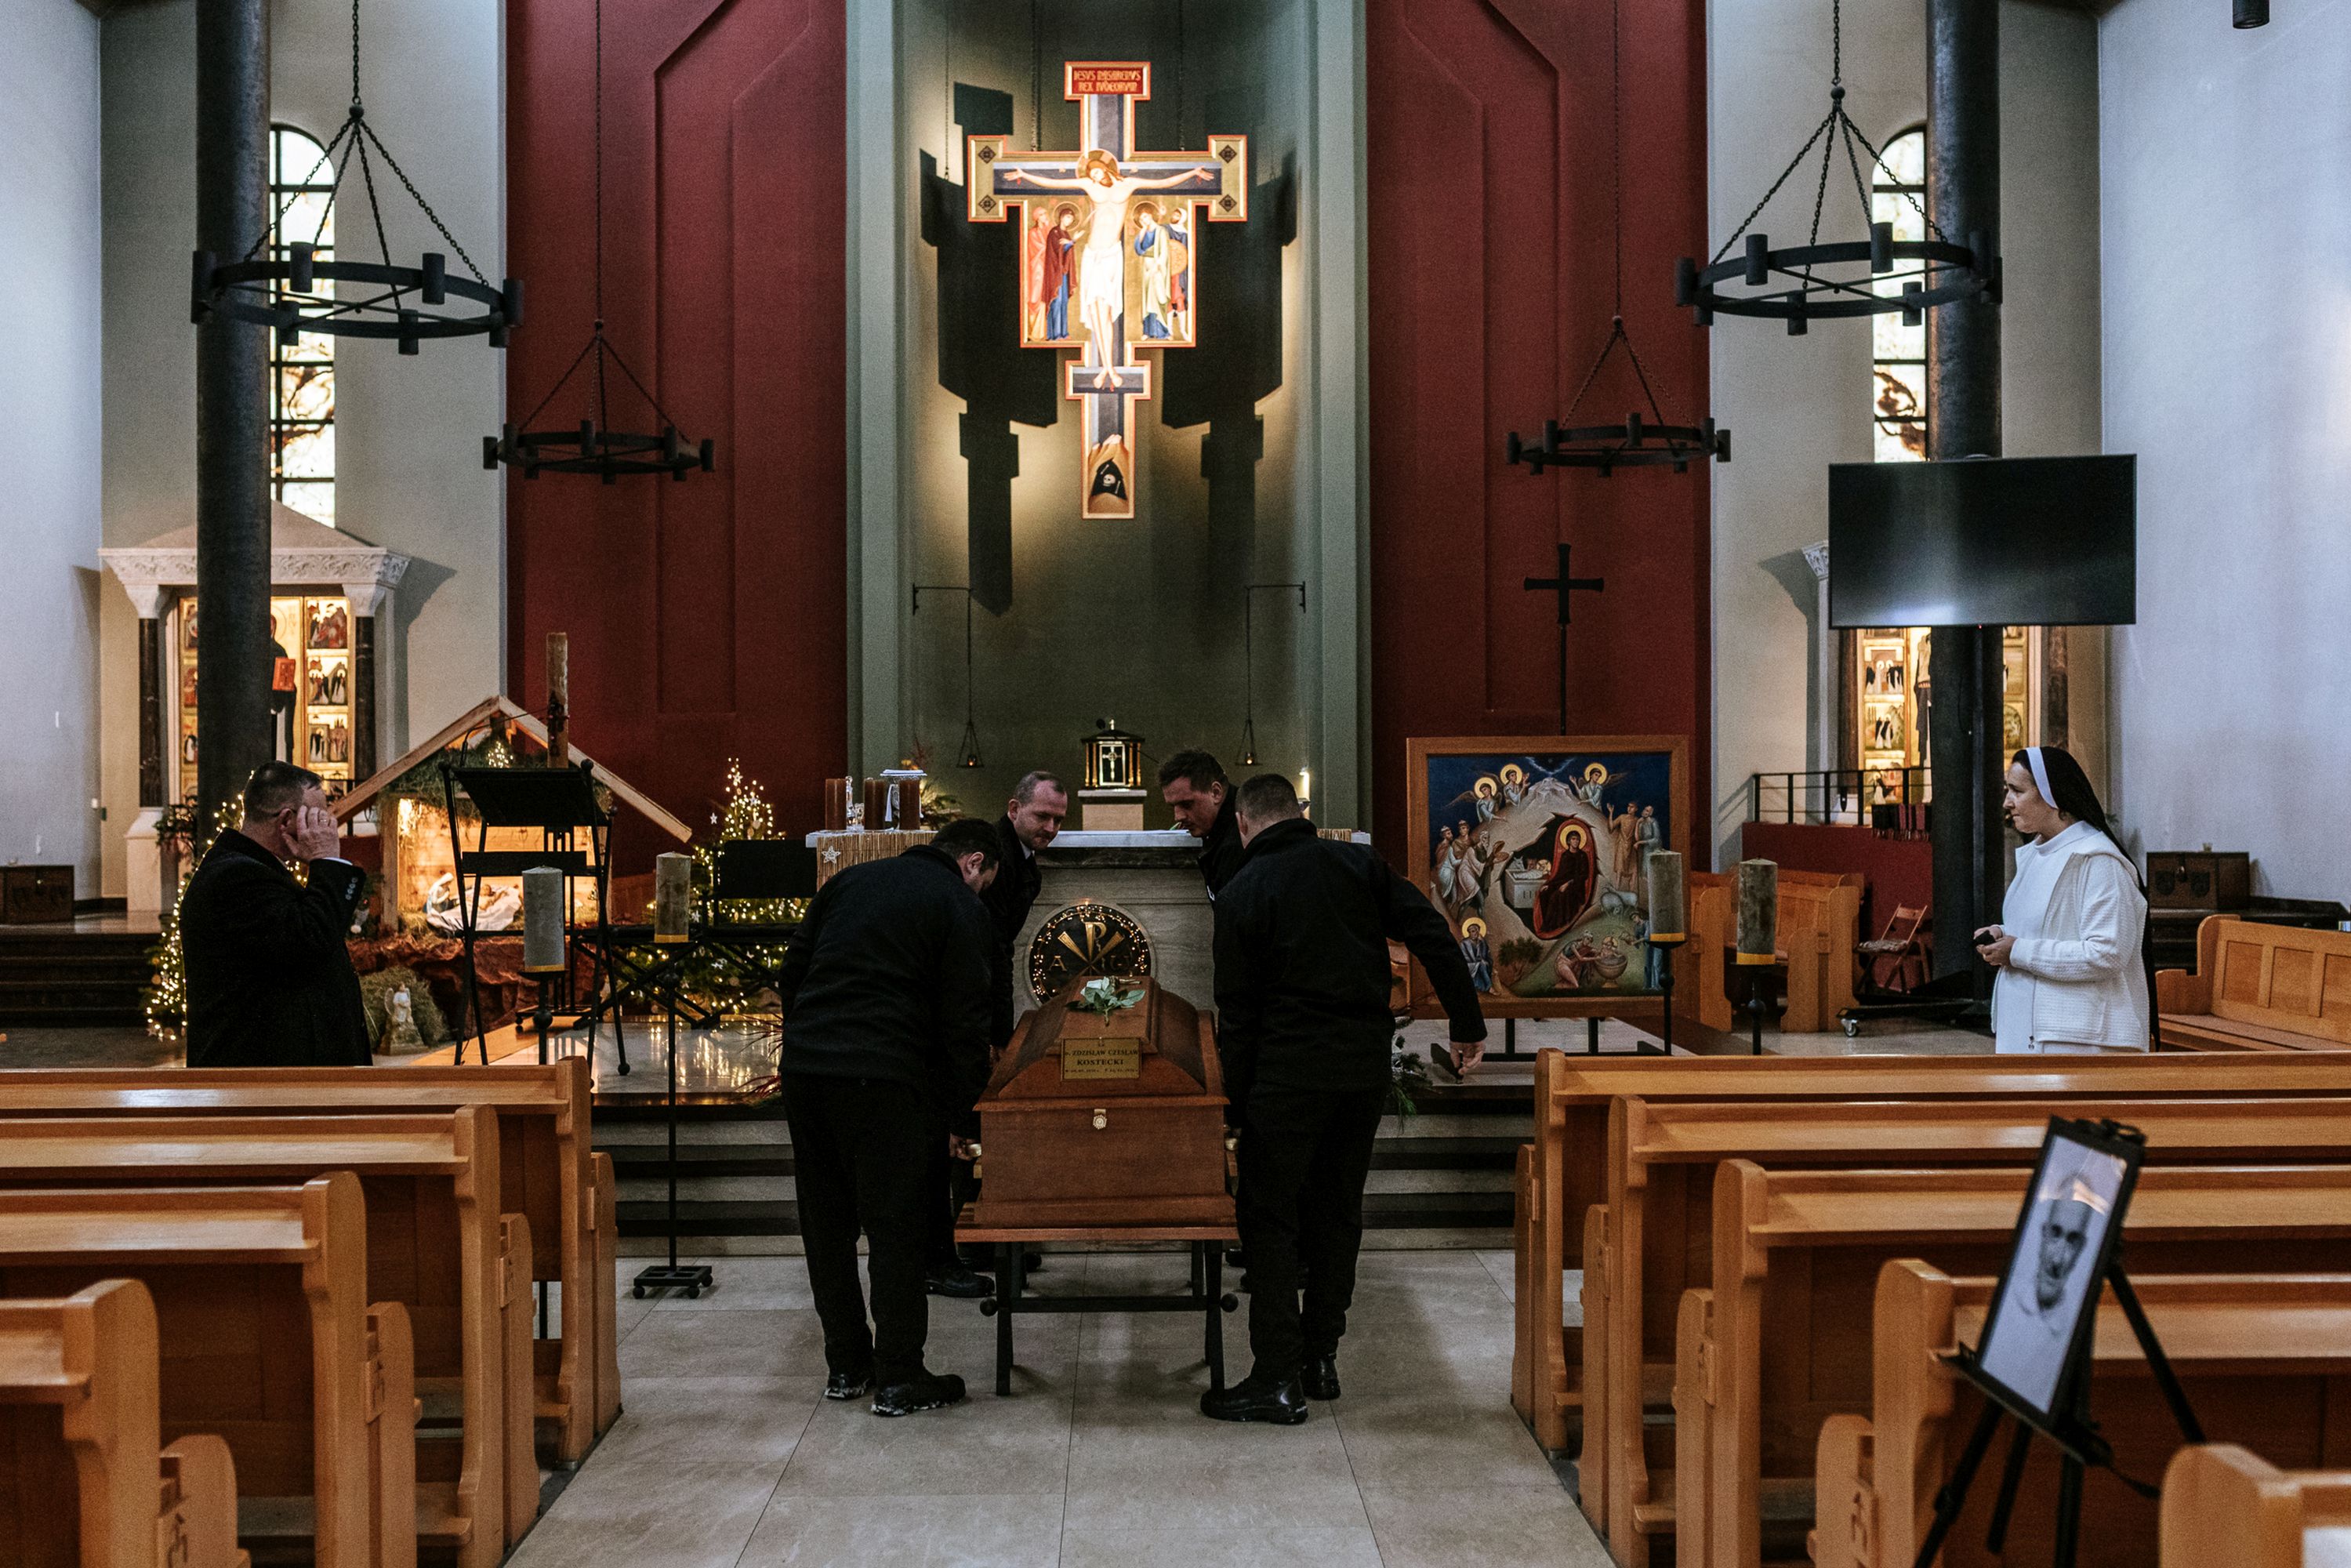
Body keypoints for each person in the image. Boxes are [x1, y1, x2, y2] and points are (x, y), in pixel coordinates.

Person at [1204, 775, 1488, 1425]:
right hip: (1360, 1070)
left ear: (1244, 823)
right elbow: (1433, 934)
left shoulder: (1243, 889)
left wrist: (1234, 1107)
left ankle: (1275, 1377)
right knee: (1336, 1212)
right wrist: (1466, 1023)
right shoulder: (1357, 864)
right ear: (1297, 813)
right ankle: (1319, 1359)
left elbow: (1237, 1014)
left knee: (1269, 1219)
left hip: (1285, 1075)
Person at [775, 817, 1000, 1416]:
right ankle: (900, 1375)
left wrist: (814, 1038)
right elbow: (964, 1022)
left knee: (826, 1225)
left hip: (806, 1070)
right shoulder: (958, 903)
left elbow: (791, 973)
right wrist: (964, 1119)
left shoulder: (849, 881)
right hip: (884, 1074)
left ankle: (846, 1365)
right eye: (985, 881)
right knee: (895, 1225)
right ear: (972, 864)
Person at [927, 771, 1069, 1293]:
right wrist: (995, 1033)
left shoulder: (1021, 862)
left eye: (1059, 819)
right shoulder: (995, 858)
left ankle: (979, 1236)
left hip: (979, 1005)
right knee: (967, 1123)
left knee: (977, 1122)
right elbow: (983, 954)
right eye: (1042, 816)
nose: (1051, 828)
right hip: (967, 1009)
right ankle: (968, 1240)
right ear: (1013, 809)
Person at [180, 761, 372, 1068]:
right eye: (318, 818)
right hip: (258, 1076)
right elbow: (311, 940)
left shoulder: (252, 868)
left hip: (281, 1073)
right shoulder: (236, 878)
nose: (327, 828)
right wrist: (326, 861)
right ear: (286, 820)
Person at [1975, 746, 2152, 1054]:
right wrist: (2002, 935)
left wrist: (2017, 950)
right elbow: (2051, 927)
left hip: (2078, 1040)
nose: (2007, 802)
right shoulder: (2038, 854)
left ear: (2052, 795)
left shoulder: (2097, 860)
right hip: (2027, 1029)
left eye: (2017, 791)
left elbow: (2106, 953)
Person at [1159, 750, 1247, 898]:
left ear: (1216, 792)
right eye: (1173, 806)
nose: (1178, 817)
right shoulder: (1225, 827)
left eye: (1187, 804)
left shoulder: (1242, 836)